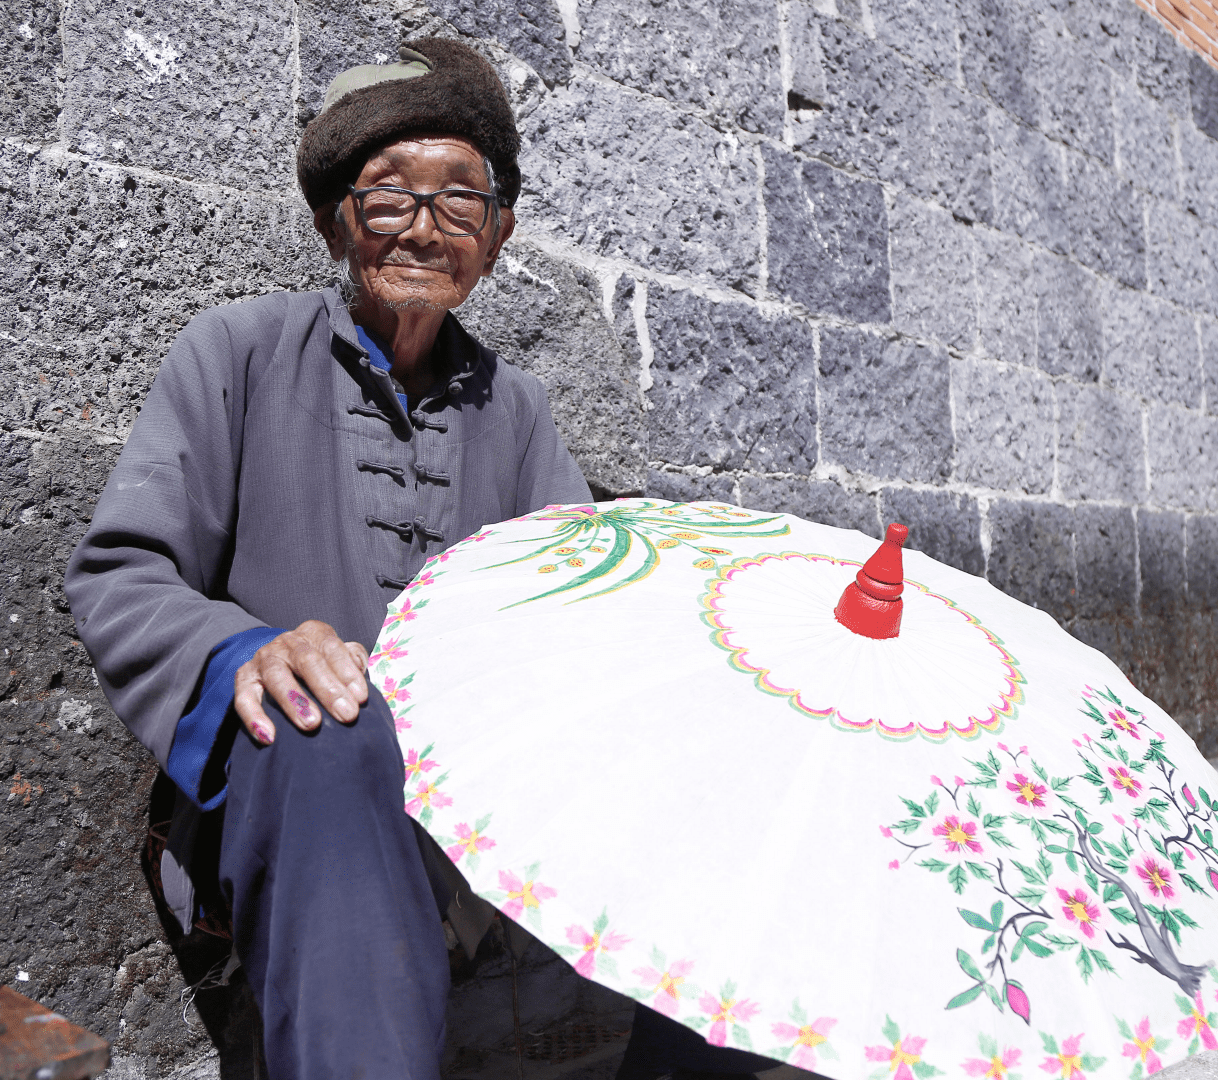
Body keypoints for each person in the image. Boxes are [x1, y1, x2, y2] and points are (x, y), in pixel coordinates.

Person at [64, 39, 777, 1080]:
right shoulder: (236, 352)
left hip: (475, 793)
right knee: (328, 724)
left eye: (460, 201)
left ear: (496, 238)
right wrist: (247, 653)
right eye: (389, 196)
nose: (426, 227)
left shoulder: (518, 408)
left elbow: (576, 593)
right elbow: (121, 574)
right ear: (334, 221)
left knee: (712, 757)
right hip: (290, 791)